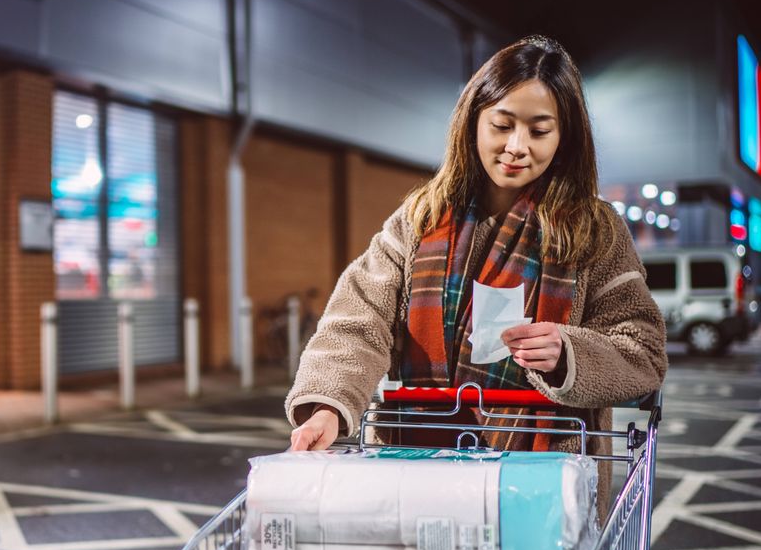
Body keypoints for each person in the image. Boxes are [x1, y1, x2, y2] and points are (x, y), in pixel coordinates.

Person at [285, 35, 667, 513]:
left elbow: (644, 350)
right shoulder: (421, 218)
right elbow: (358, 320)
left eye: (539, 130)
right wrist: (327, 405)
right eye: (502, 125)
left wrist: (569, 352)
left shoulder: (594, 230)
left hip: (545, 488)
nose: (516, 147)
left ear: (565, 136)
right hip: (419, 469)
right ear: (473, 122)